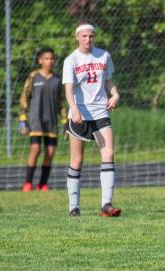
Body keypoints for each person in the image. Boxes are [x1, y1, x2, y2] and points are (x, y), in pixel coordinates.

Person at [62, 20, 122, 217]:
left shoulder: (104, 56)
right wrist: (74, 109)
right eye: (84, 36)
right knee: (77, 159)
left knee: (108, 153)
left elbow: (108, 81)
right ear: (77, 37)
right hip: (80, 114)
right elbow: (69, 90)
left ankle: (106, 205)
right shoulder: (71, 60)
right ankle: (74, 207)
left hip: (100, 112)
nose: (88, 39)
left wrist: (115, 95)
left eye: (91, 36)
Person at [19, 47, 66, 193]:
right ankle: (27, 183)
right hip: (36, 121)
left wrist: (65, 122)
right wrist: (22, 118)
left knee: (50, 153)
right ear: (40, 60)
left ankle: (42, 184)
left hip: (51, 122)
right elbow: (24, 98)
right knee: (35, 149)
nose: (49, 61)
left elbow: (61, 103)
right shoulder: (33, 77)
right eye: (46, 58)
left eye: (51, 58)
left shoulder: (57, 79)